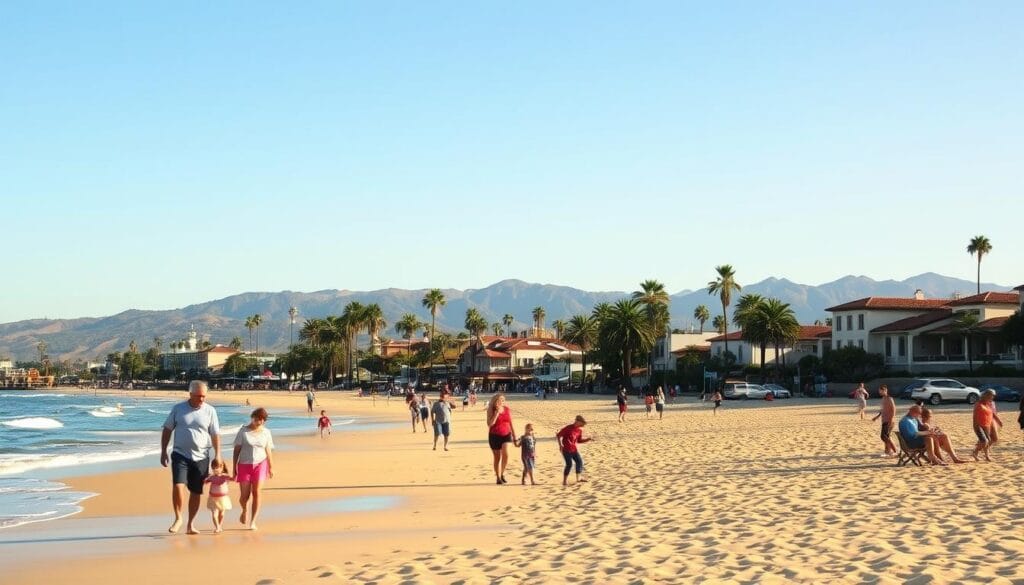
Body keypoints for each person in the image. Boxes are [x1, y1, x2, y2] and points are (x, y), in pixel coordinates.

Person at [161, 380, 221, 535]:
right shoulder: (178, 409)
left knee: (196, 491)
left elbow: (215, 434)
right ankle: (178, 518)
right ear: (191, 394)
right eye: (199, 396)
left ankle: (190, 524)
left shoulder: (210, 411)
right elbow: (167, 430)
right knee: (178, 485)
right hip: (180, 454)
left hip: (202, 457)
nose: (202, 399)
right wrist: (163, 451)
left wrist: (218, 454)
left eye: (204, 396)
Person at [233, 407, 274, 530]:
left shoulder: (266, 432)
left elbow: (268, 450)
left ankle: (253, 521)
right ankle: (245, 510)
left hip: (260, 464)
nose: (259, 421)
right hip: (244, 465)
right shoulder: (243, 431)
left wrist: (271, 467)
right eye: (257, 419)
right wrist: (234, 467)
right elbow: (236, 450)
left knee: (256, 492)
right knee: (244, 496)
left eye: (262, 420)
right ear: (252, 417)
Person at [486, 393, 516, 485]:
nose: (501, 402)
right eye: (499, 400)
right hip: (494, 435)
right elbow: (490, 424)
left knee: (506, 454)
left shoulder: (507, 409)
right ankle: (498, 477)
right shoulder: (490, 410)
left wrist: (514, 436)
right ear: (495, 401)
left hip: (506, 434)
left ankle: (502, 473)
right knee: (497, 458)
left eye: (503, 400)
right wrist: (496, 413)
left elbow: (511, 422)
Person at [556, 415, 593, 486]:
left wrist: (588, 439)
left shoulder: (579, 430)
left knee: (579, 462)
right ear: (577, 421)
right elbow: (558, 435)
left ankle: (578, 479)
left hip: (574, 449)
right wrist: (560, 445)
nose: (582, 425)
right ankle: (564, 481)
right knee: (569, 464)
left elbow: (579, 440)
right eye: (582, 423)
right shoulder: (568, 428)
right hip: (566, 449)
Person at [204, 459, 232, 534]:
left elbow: (233, 479)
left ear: (222, 467)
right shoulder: (212, 477)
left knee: (222, 513)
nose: (215, 469)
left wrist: (234, 475)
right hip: (213, 498)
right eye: (213, 468)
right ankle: (217, 527)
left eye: (217, 467)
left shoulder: (224, 476)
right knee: (214, 514)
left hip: (223, 498)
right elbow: (205, 482)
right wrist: (205, 478)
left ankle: (220, 525)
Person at [971, 389, 999, 462]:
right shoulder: (978, 404)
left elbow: (992, 414)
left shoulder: (988, 404)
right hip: (979, 426)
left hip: (987, 425)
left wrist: (998, 421)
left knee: (988, 440)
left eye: (993, 396)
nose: (992, 397)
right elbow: (975, 417)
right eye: (991, 395)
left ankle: (987, 456)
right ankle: (974, 452)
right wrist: (977, 427)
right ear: (986, 395)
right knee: (985, 441)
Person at [871, 385, 898, 458]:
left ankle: (895, 451)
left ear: (885, 390)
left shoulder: (890, 399)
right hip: (884, 420)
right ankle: (888, 451)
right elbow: (882, 410)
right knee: (886, 436)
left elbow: (893, 409)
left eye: (880, 391)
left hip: (889, 420)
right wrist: (877, 417)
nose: (879, 392)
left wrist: (891, 419)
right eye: (879, 391)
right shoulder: (883, 398)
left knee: (884, 437)